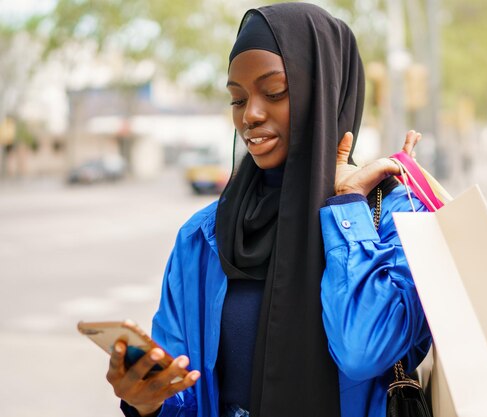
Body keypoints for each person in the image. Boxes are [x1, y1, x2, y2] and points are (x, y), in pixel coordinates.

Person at [105, 3, 431, 417]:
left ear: (327, 93)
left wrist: (346, 208)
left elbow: (364, 351)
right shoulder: (204, 236)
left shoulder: (396, 218)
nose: (251, 116)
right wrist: (146, 401)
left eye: (274, 92)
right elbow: (183, 394)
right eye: (237, 100)